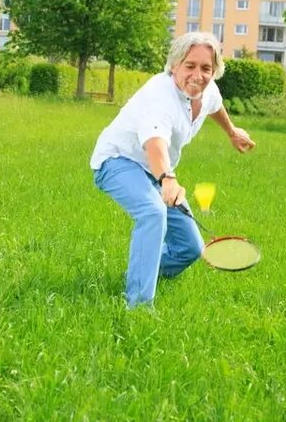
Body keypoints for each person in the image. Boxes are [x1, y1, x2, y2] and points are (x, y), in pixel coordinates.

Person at [90, 32, 256, 308]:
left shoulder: (208, 89)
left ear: (214, 70)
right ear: (175, 65)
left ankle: (138, 274)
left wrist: (231, 131)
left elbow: (215, 106)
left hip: (155, 171)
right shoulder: (160, 97)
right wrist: (167, 179)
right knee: (152, 212)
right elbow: (154, 142)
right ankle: (139, 305)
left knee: (190, 248)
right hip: (118, 161)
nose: (198, 74)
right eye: (190, 66)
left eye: (206, 68)